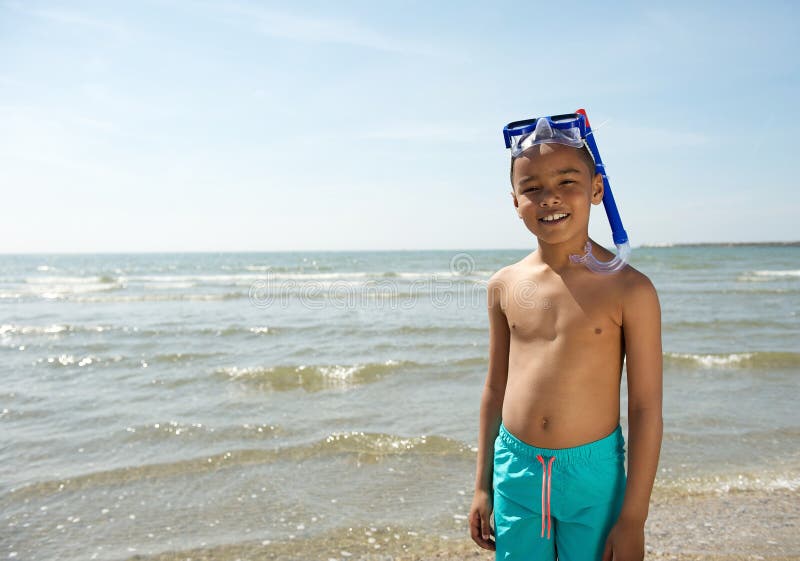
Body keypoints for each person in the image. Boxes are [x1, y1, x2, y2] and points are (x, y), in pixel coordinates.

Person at [468, 112, 663, 561]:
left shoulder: (629, 289)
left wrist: (633, 518)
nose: (548, 197)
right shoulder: (504, 284)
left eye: (566, 181)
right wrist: (481, 484)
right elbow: (495, 387)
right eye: (531, 187)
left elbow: (647, 407)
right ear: (514, 200)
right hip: (514, 471)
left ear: (597, 189)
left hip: (593, 477)